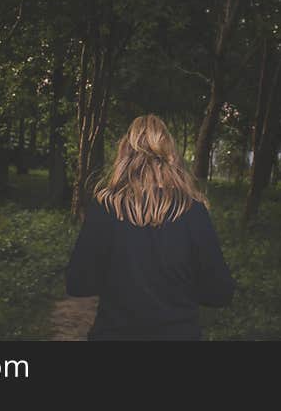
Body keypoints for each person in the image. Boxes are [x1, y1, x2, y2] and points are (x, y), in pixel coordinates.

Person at [65, 114, 236, 340]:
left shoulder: (105, 207)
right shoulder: (193, 211)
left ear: (125, 152)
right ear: (171, 155)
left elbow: (78, 284)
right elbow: (221, 293)